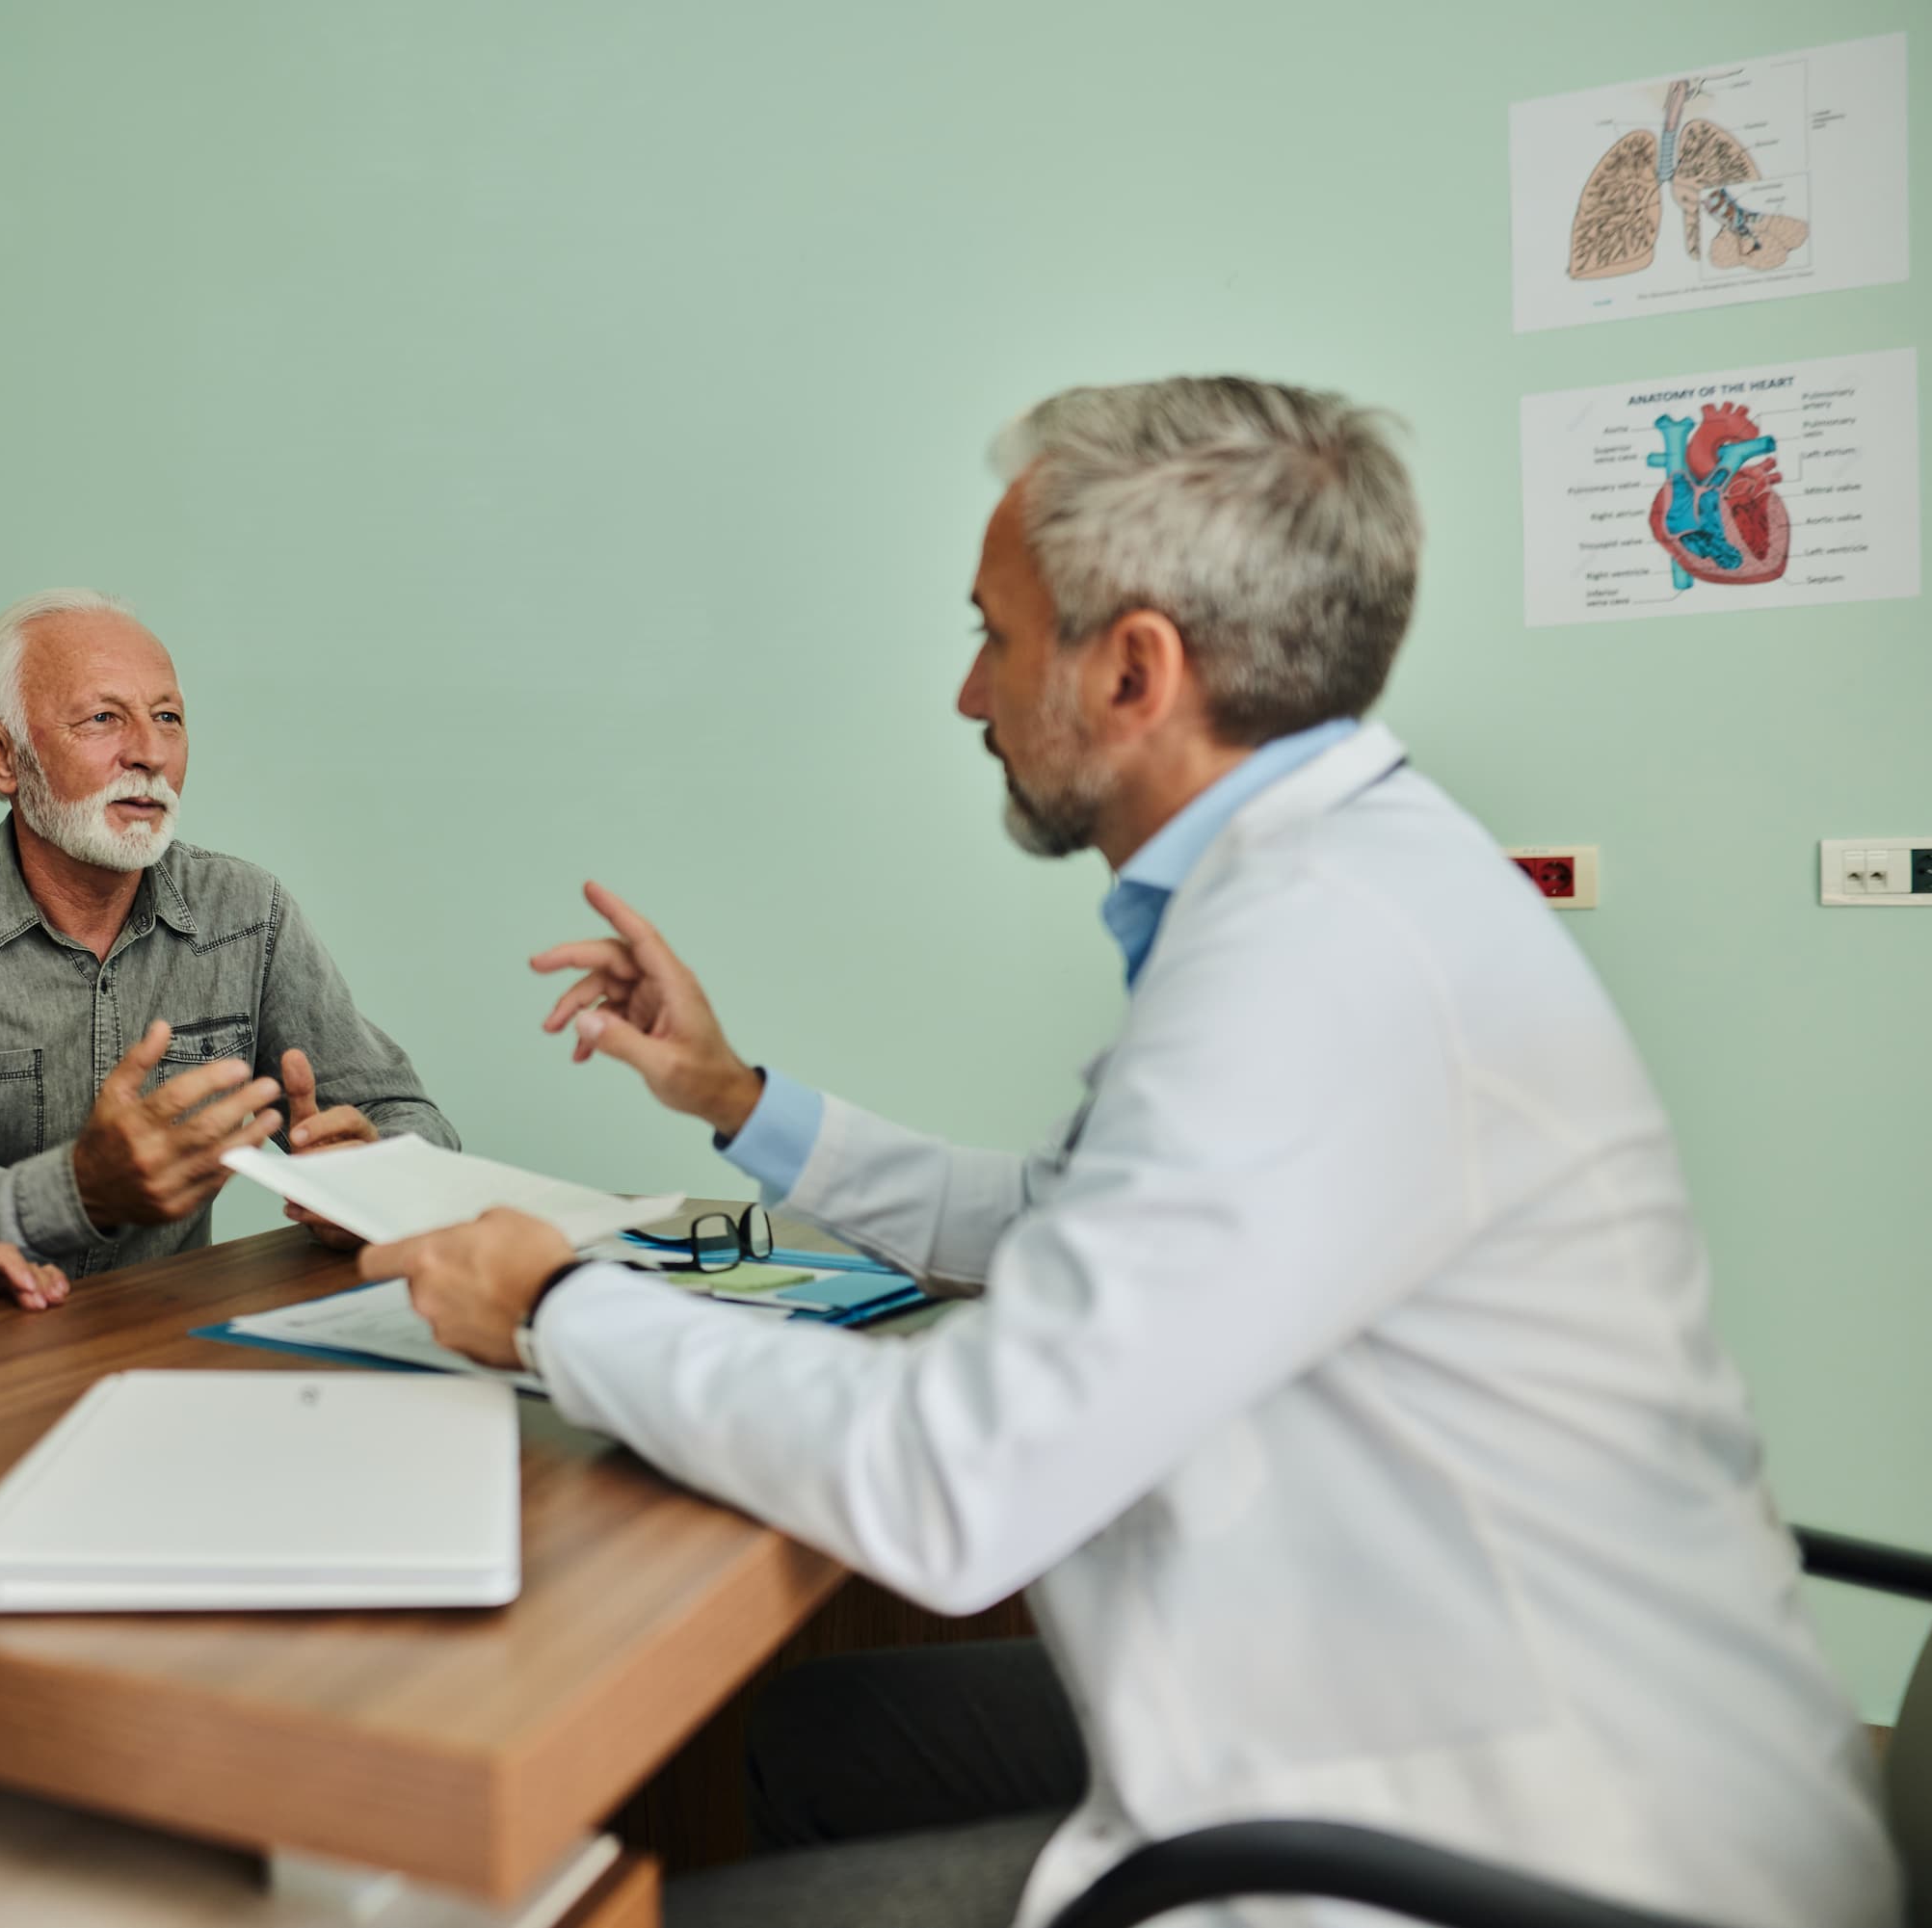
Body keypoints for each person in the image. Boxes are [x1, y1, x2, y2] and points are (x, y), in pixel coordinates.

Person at [363, 379, 1897, 1928]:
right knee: (814, 1735)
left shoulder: (1317, 958)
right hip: (1439, 1676)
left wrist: (557, 1306)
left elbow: (953, 1483)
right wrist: (734, 1095)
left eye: (993, 634)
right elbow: (1063, 1221)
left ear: (1133, 669)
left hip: (1535, 1849)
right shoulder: (1342, 883)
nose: (971, 695)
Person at [0, 589, 453, 1310]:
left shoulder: (246, 913)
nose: (148, 752)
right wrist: (76, 1191)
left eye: (167, 717)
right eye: (104, 718)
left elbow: (411, 1118)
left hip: (180, 1346)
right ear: (1, 754)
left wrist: (371, 1179)